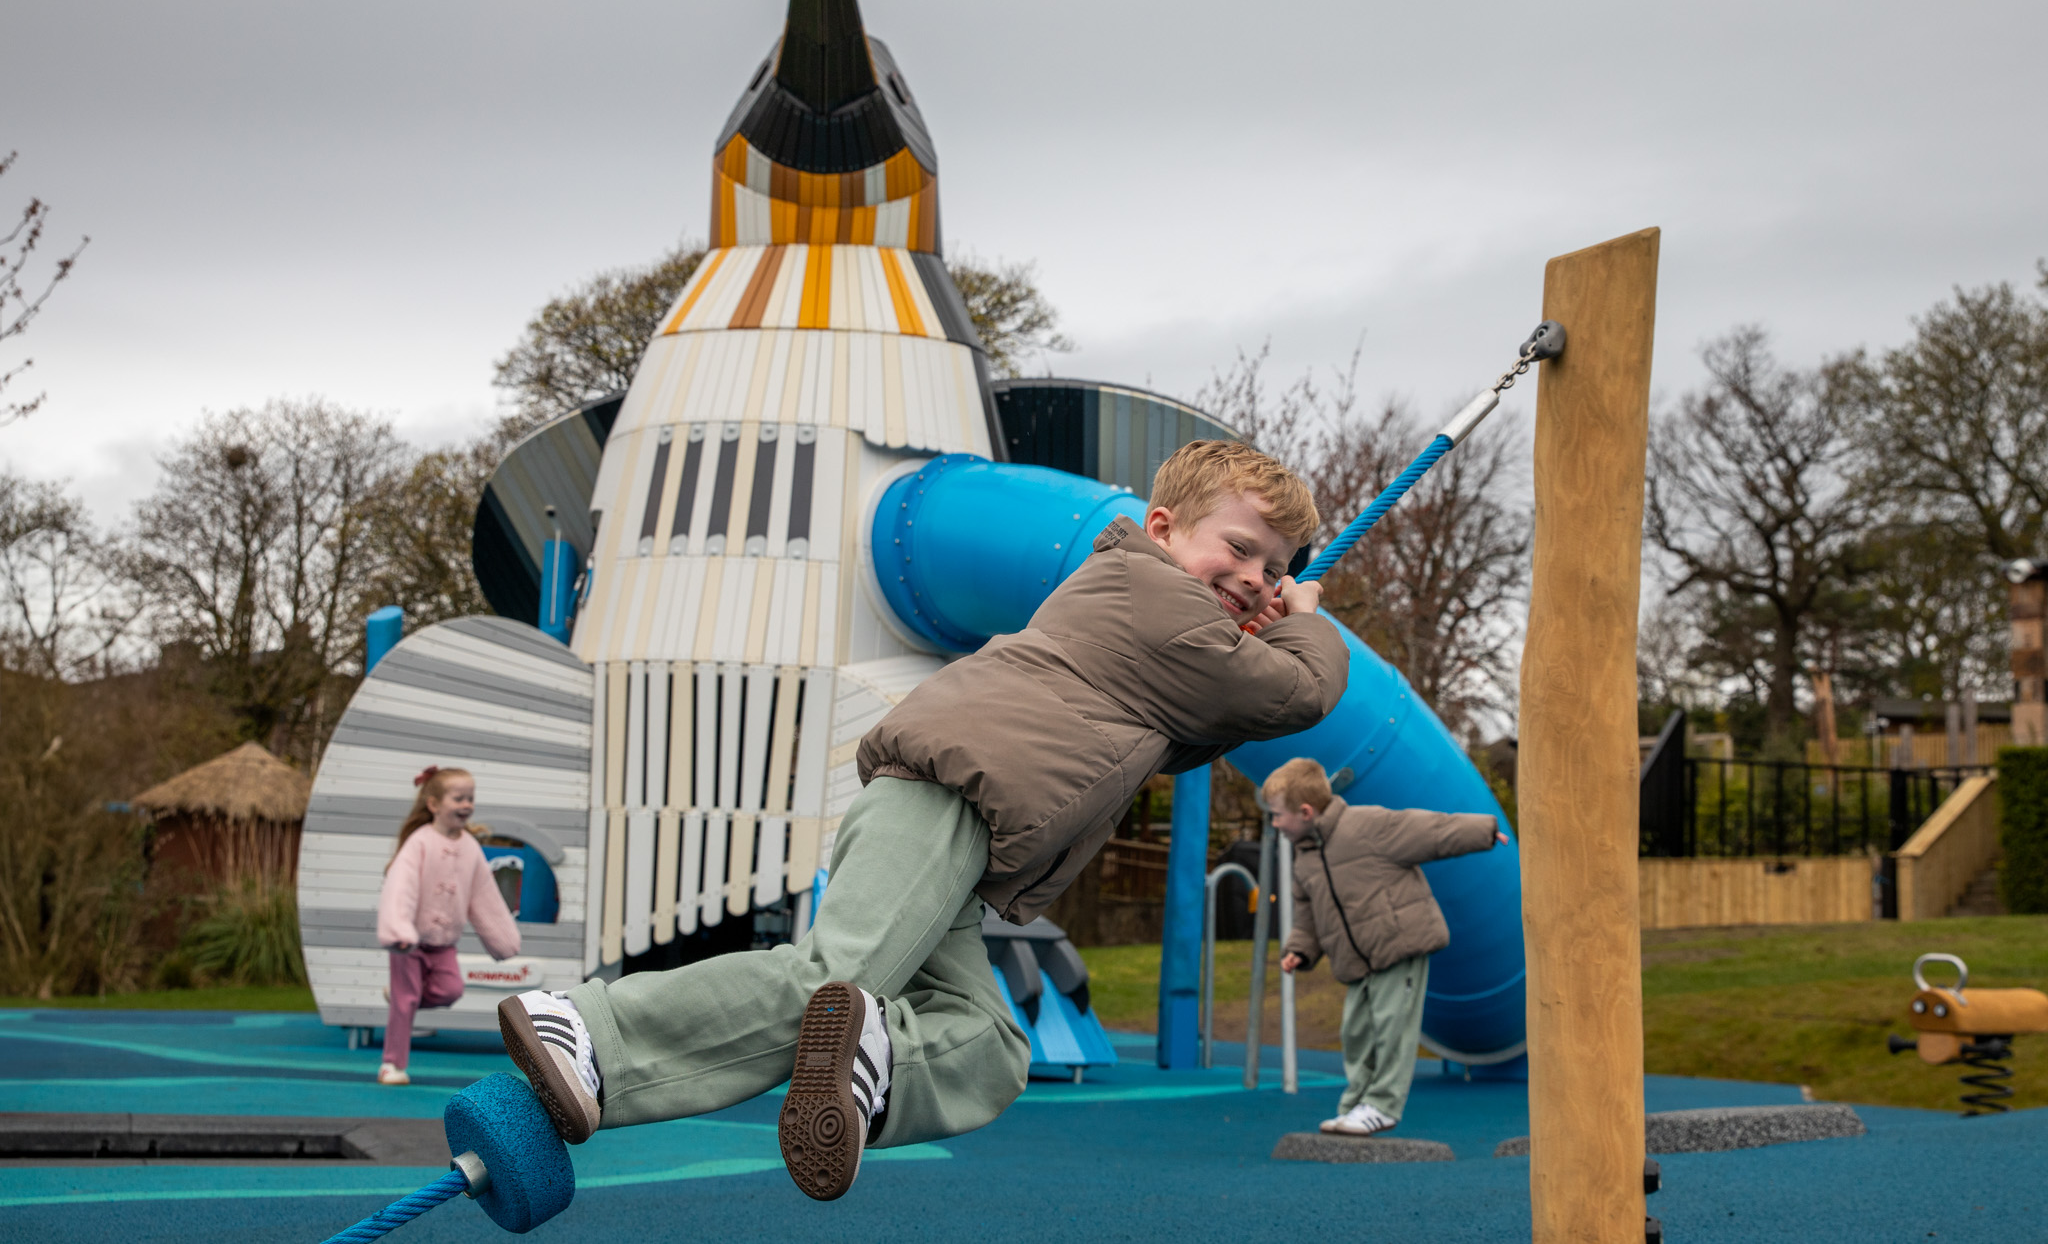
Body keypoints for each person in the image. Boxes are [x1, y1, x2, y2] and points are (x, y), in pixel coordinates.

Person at [499, 439, 1350, 1200]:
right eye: (1240, 549)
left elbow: (1193, 730)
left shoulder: (1170, 627)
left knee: (990, 1043)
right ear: (1162, 528)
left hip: (969, 839)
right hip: (950, 792)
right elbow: (1292, 694)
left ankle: (872, 1065)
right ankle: (585, 1029)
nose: (1256, 579)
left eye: (1275, 571)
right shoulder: (1147, 592)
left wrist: (1267, 629)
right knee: (834, 974)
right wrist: (1305, 626)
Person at [1266, 757, 1508, 1137]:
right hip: (1355, 959)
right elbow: (1306, 910)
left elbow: (1430, 830)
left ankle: (1383, 1105)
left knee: (1392, 1025)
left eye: (1278, 815)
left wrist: (1483, 831)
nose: (1275, 823)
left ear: (1306, 811)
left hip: (1399, 945)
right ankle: (1356, 1104)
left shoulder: (1368, 826)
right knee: (1356, 1032)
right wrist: (1301, 948)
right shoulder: (1305, 857)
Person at [374, 765, 521, 1086]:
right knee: (406, 999)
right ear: (434, 805)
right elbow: (402, 886)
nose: (466, 805)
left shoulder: (470, 847)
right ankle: (391, 1064)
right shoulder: (420, 842)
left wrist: (503, 939)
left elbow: (484, 894)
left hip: (443, 943)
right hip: (409, 941)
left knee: (450, 990)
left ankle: (399, 997)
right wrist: (400, 929)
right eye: (458, 798)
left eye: (470, 798)